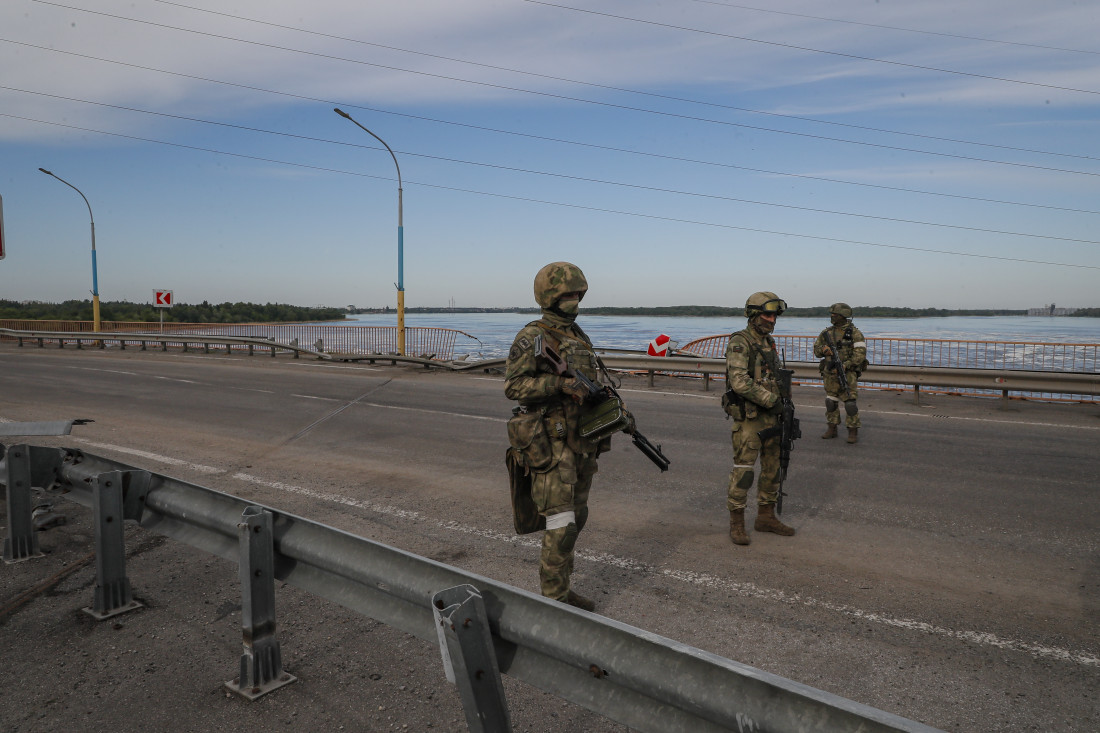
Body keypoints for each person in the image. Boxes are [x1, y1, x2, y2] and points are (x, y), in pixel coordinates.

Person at [504, 262, 623, 611]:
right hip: (551, 443)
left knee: (578, 517)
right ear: (549, 296)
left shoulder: (577, 334)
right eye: (567, 294)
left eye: (578, 294)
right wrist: (559, 384)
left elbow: (589, 385)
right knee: (561, 523)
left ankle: (564, 590)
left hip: (581, 441)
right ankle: (554, 603)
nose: (574, 300)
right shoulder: (533, 336)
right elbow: (513, 386)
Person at [722, 291, 796, 546]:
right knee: (744, 472)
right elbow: (739, 382)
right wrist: (773, 401)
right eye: (767, 314)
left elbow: (772, 378)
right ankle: (737, 524)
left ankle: (766, 517)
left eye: (774, 314)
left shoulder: (769, 343)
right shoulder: (740, 342)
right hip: (751, 419)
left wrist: (785, 404)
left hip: (773, 418)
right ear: (753, 315)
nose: (772, 319)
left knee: (773, 470)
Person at [812, 303, 868, 444]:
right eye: (831, 314)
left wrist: (845, 365)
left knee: (850, 404)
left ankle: (853, 431)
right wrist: (823, 350)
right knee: (831, 401)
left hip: (847, 373)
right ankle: (832, 428)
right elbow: (816, 350)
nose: (832, 316)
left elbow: (860, 355)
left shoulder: (855, 333)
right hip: (830, 373)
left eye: (835, 314)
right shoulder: (827, 333)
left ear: (843, 315)